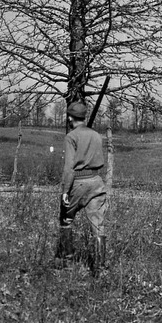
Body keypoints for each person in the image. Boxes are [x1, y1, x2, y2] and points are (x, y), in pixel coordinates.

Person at [55, 100, 108, 272]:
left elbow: (69, 167)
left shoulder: (71, 137)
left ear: (70, 117)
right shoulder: (96, 135)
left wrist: (65, 190)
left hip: (78, 182)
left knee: (65, 219)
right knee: (98, 225)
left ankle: (66, 262)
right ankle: (100, 268)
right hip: (97, 181)